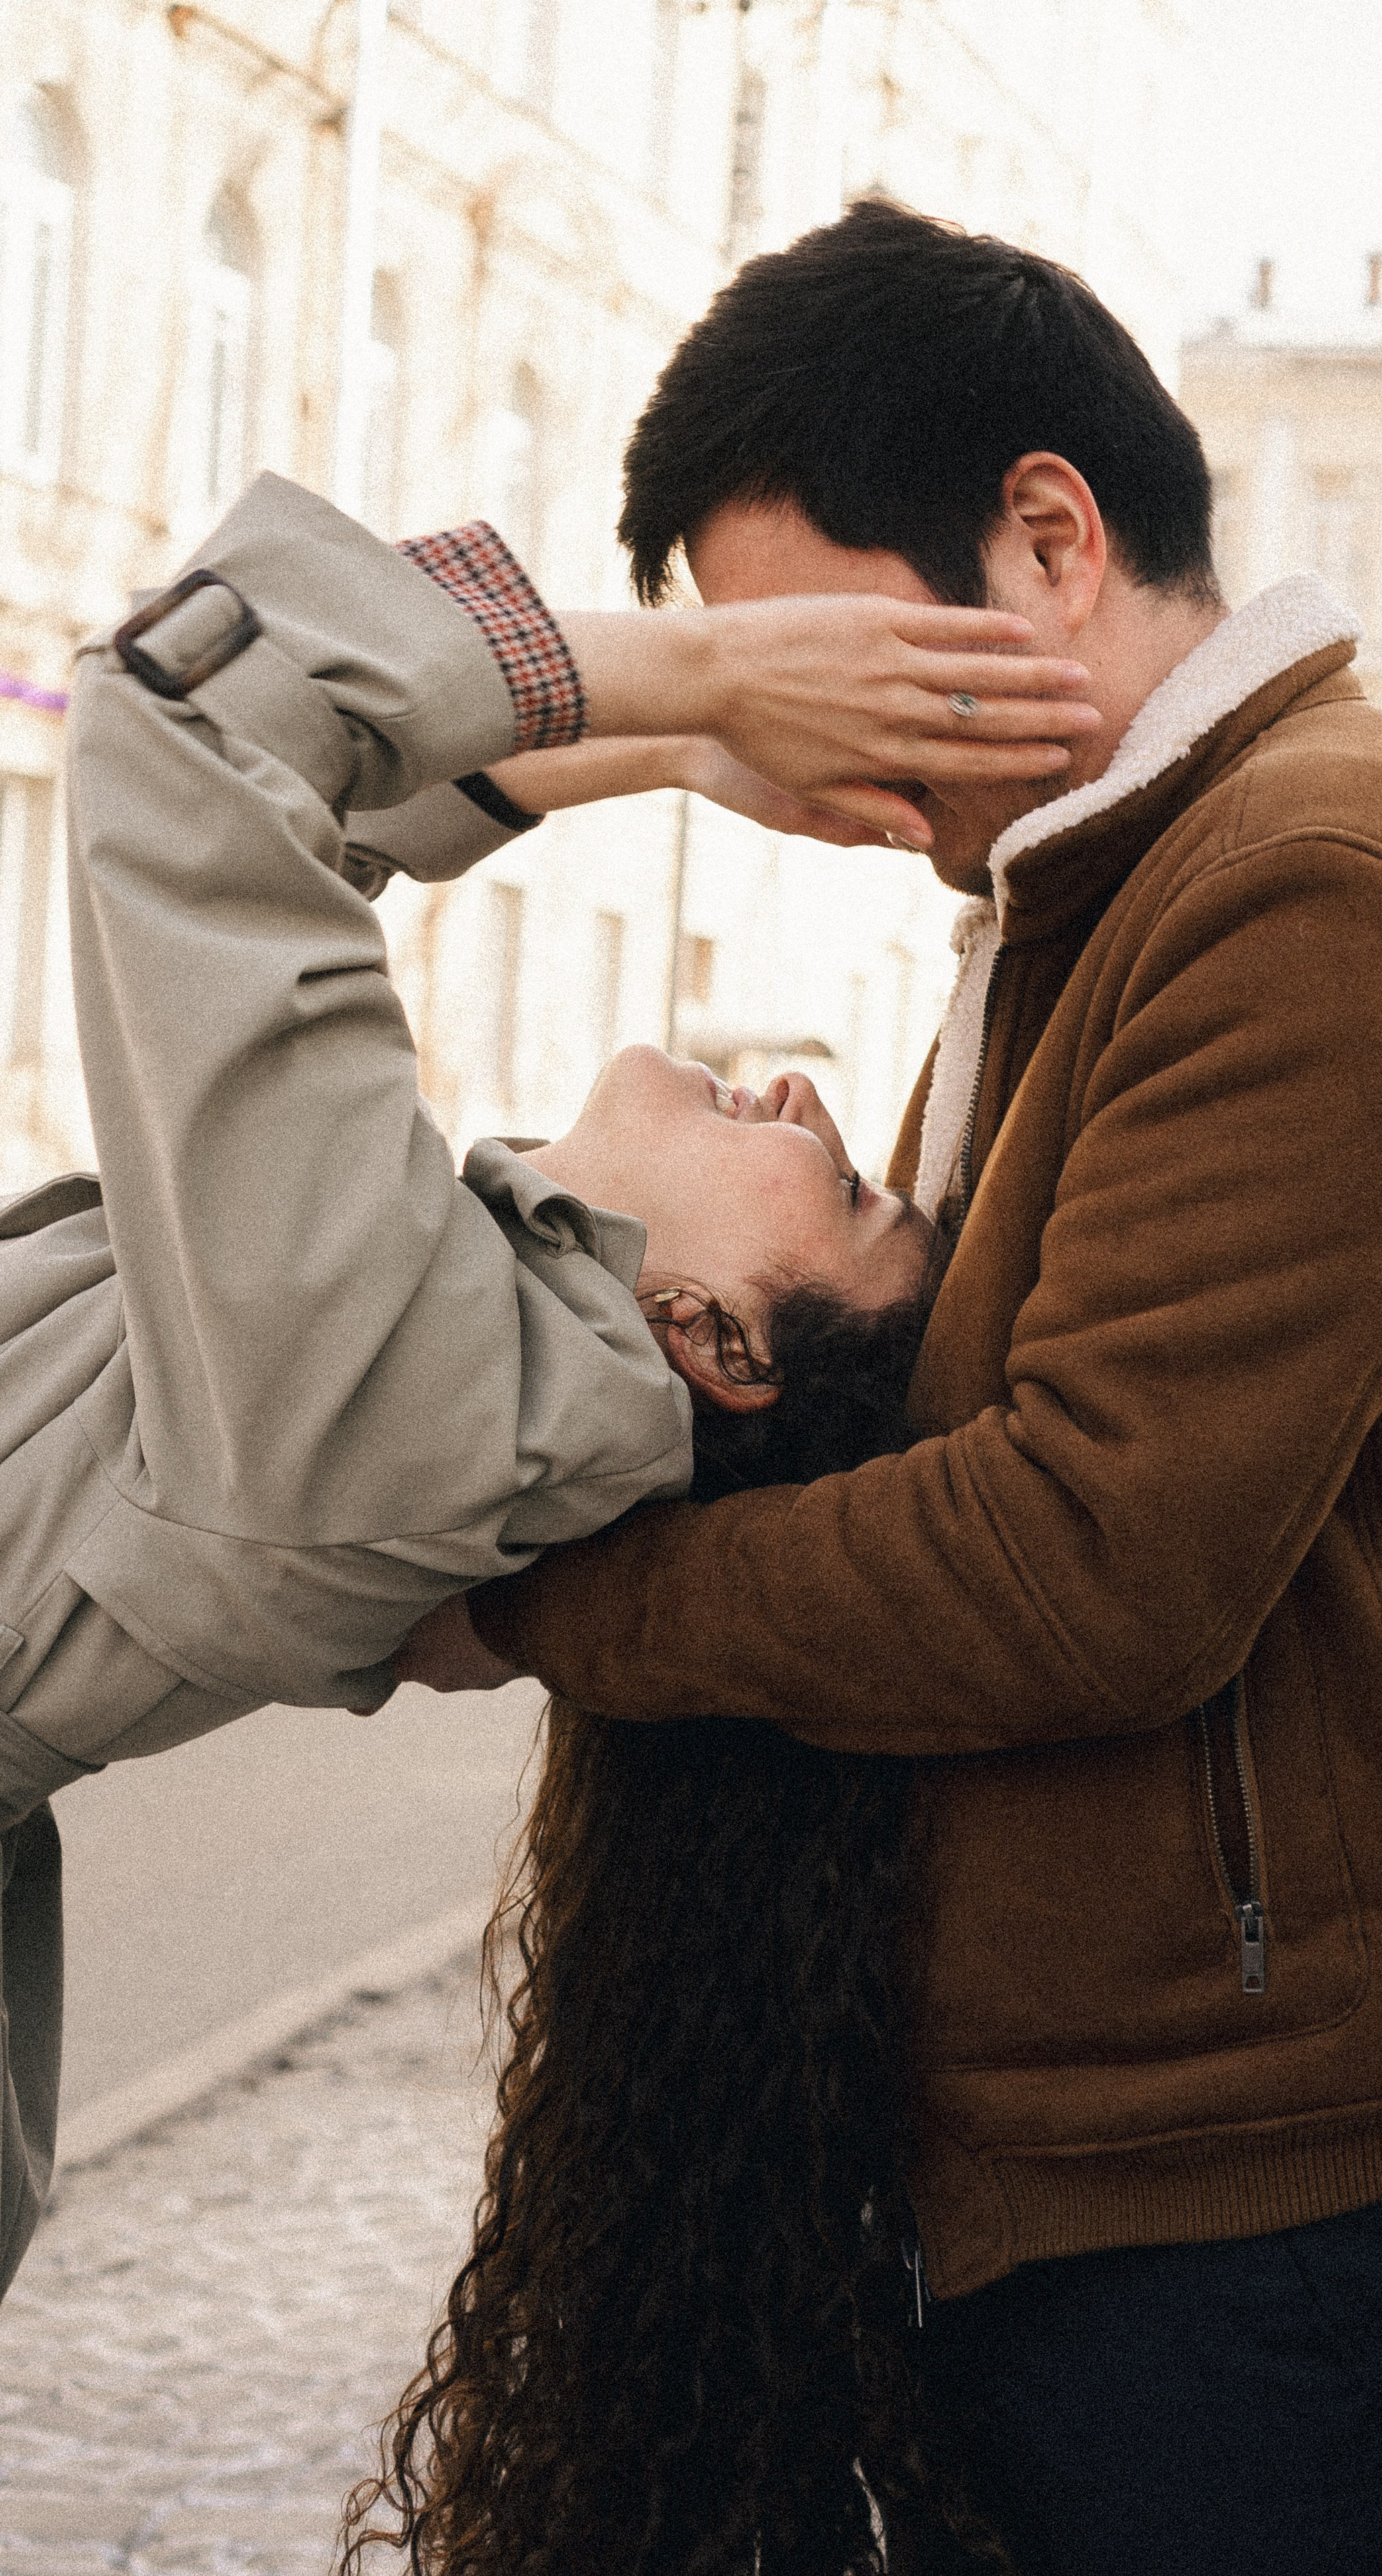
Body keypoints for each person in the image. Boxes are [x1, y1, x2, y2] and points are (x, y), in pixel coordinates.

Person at [399, 201, 1382, 2576]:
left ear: (1050, 538)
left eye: (828, 655)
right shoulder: (1096, 899)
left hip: (1282, 2191)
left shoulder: (1325, 880)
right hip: (1141, 2159)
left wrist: (543, 1612)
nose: (830, 758)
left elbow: (1088, 1560)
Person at [0, 464, 1100, 2301]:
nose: (805, 1096)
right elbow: (284, 804)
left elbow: (188, 716)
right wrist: (679, 751)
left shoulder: (410, 1395)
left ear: (716, 1343)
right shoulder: (465, 1365)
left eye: (839, 1188)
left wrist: (699, 675)